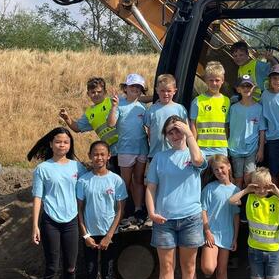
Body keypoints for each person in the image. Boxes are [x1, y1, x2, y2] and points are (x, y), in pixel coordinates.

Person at [145, 116, 207, 279]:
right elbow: (151, 187)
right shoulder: (159, 158)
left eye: (178, 130)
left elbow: (199, 160)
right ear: (166, 136)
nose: (175, 135)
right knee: (167, 268)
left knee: (189, 267)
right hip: (164, 220)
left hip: (190, 217)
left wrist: (190, 134)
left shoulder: (193, 154)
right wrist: (151, 212)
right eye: (171, 132)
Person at [27, 127, 86, 279]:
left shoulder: (78, 168)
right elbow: (38, 198)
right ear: (51, 144)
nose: (62, 145)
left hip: (71, 221)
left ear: (70, 145)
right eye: (58, 142)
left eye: (66, 142)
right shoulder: (43, 169)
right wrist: (35, 225)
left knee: (70, 266)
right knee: (52, 266)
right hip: (50, 221)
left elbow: (86, 191)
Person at [77, 140, 127, 279]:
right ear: (90, 156)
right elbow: (79, 210)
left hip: (109, 235)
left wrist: (109, 236)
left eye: (102, 154)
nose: (99, 157)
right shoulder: (83, 181)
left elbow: (120, 210)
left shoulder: (116, 180)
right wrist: (85, 235)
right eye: (95, 154)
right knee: (90, 273)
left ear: (109, 157)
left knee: (106, 274)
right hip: (90, 234)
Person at [200, 155, 240, 279]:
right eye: (216, 170)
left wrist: (235, 237)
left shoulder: (236, 190)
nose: (219, 172)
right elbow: (203, 211)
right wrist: (207, 231)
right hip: (212, 234)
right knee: (208, 268)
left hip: (227, 234)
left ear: (229, 167)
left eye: (222, 168)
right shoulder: (209, 188)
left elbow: (236, 216)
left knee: (222, 272)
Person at [107, 73, 149, 227]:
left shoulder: (142, 107)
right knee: (124, 182)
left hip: (142, 148)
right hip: (125, 149)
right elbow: (111, 123)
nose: (135, 90)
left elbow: (148, 127)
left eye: (138, 88)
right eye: (132, 86)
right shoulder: (119, 104)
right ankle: (120, 211)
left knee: (138, 180)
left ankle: (138, 209)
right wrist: (113, 107)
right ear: (125, 88)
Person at [59, 77, 119, 171]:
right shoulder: (89, 113)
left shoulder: (113, 101)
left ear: (105, 92)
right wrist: (67, 118)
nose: (96, 95)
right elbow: (77, 127)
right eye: (93, 92)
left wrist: (150, 99)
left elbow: (132, 101)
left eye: (99, 92)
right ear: (88, 94)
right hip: (110, 151)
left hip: (124, 146)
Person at [189, 61, 230, 165]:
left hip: (221, 147)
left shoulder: (227, 101)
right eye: (211, 80)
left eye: (217, 80)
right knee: (203, 177)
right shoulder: (198, 101)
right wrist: (193, 146)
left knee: (220, 176)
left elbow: (227, 125)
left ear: (223, 80)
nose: (214, 83)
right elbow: (193, 124)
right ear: (205, 80)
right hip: (202, 147)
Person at [228, 75, 264, 188]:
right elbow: (228, 128)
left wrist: (261, 149)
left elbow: (262, 130)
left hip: (252, 149)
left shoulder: (259, 108)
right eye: (243, 86)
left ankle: (248, 204)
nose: (246, 89)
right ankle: (237, 204)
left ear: (254, 88)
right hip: (235, 148)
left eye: (249, 86)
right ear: (238, 89)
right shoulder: (233, 108)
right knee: (238, 179)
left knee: (249, 178)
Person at [143, 74, 188, 161]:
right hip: (156, 152)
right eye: (162, 91)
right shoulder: (152, 109)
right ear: (157, 90)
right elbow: (149, 131)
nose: (166, 94)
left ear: (175, 91)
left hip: (176, 152)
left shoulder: (180, 109)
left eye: (169, 91)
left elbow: (186, 129)